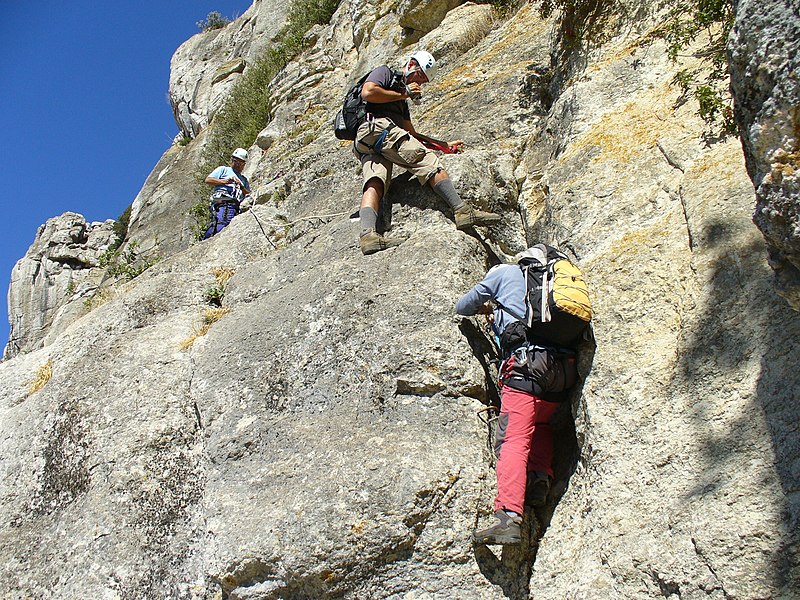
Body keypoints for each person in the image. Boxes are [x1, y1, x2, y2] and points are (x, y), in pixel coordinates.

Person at [455, 254, 568, 545]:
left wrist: (486, 306)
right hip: (561, 369)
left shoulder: (503, 272)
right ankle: (538, 480)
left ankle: (507, 517)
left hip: (527, 365)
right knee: (540, 424)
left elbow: (462, 305)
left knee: (513, 440)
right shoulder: (552, 282)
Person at [353, 50, 501, 255]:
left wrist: (443, 145)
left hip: (367, 140)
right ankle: (461, 210)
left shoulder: (401, 102)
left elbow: (411, 135)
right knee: (428, 161)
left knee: (376, 182)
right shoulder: (385, 73)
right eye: (420, 76)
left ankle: (368, 236)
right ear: (411, 65)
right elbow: (368, 92)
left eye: (424, 80)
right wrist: (406, 92)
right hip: (376, 128)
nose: (420, 83)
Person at [203, 148, 251, 239]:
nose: (237, 164)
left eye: (240, 163)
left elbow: (248, 194)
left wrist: (241, 186)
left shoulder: (243, 179)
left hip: (235, 206)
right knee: (220, 226)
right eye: (235, 161)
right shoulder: (223, 170)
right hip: (222, 203)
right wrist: (225, 182)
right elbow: (208, 180)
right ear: (232, 160)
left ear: (244, 164)